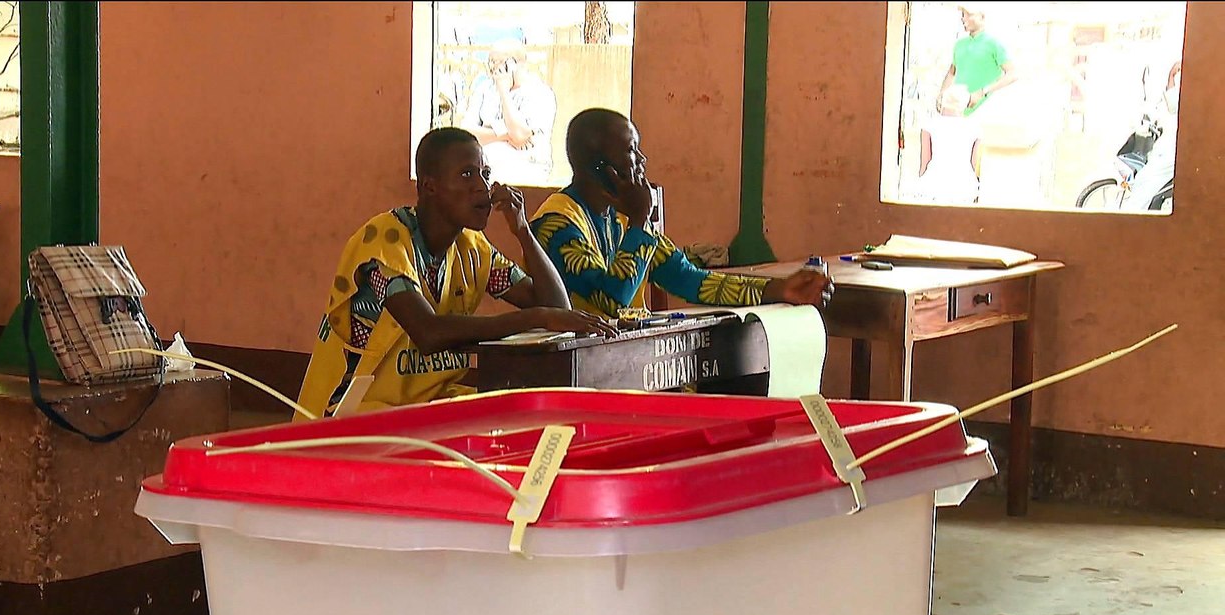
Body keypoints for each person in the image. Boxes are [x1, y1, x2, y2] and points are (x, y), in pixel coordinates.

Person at [294, 127, 615, 420]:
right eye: (466, 175)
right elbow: (428, 332)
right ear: (429, 187)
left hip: (424, 405)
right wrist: (536, 318)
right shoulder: (384, 240)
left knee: (516, 416)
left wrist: (523, 233)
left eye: (485, 174)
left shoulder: (472, 248)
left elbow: (556, 308)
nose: (483, 187)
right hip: (351, 412)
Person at [528, 108, 833, 320]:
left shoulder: (619, 216)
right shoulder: (556, 224)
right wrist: (639, 221)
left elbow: (689, 279)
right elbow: (612, 299)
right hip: (576, 374)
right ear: (601, 167)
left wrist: (779, 289)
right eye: (632, 150)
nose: (642, 159)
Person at [462, 39, 558, 186]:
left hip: (525, 166)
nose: (493, 68)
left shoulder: (540, 93)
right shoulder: (484, 89)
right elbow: (468, 134)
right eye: (491, 62)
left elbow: (519, 135)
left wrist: (503, 91)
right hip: (486, 166)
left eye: (499, 62)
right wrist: (506, 135)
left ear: (515, 64)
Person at [938, 3, 1018, 116]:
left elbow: (1013, 74)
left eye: (969, 14)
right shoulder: (959, 45)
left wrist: (983, 92)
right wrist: (942, 94)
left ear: (982, 17)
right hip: (960, 111)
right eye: (963, 14)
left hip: (986, 112)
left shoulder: (993, 44)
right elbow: (952, 72)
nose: (963, 18)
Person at [1124, 60, 1180, 212]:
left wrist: (1172, 76)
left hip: (1174, 146)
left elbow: (1174, 106)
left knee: (1146, 182)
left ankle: (1128, 222)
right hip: (1171, 143)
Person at [917, 85, 981, 205]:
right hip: (964, 187)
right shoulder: (974, 129)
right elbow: (973, 164)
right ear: (964, 104)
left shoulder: (929, 125)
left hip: (933, 185)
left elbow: (924, 163)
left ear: (943, 101)